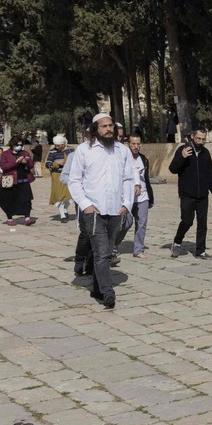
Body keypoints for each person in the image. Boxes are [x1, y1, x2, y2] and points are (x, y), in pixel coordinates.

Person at [67, 114, 135, 309]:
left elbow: (129, 179)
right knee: (102, 252)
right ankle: (108, 292)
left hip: (115, 210)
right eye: (104, 126)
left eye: (111, 126)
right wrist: (85, 204)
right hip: (93, 210)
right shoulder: (84, 151)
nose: (109, 129)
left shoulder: (122, 151)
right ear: (95, 129)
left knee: (106, 251)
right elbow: (74, 180)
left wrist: (126, 204)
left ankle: (97, 287)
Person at [169, 129, 212, 258]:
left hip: (202, 195)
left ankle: (200, 251)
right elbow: (173, 169)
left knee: (202, 223)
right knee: (187, 221)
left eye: (203, 139)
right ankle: (177, 241)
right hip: (187, 194)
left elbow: (210, 174)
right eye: (198, 139)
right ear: (192, 137)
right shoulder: (184, 150)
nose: (201, 141)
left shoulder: (205, 153)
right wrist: (182, 157)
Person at [0, 136, 37, 225]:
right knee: (8, 200)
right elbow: (4, 167)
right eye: (17, 145)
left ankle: (27, 218)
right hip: (10, 181)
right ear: (12, 144)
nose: (19, 146)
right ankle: (10, 219)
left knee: (26, 199)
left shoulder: (25, 153)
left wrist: (26, 161)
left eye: (20, 144)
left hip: (23, 180)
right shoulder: (5, 154)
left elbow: (31, 166)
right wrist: (16, 161)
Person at [128, 135, 154, 258]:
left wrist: (150, 197)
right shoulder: (125, 158)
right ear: (128, 144)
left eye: (138, 144)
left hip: (143, 196)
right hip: (127, 197)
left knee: (142, 223)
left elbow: (147, 179)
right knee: (125, 224)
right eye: (133, 144)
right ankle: (114, 246)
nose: (136, 146)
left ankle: (138, 250)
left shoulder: (143, 159)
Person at [46, 135, 74, 221]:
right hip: (57, 175)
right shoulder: (52, 151)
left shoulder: (71, 150)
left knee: (69, 196)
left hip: (69, 175)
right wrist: (56, 163)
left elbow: (75, 159)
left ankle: (65, 209)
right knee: (60, 196)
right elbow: (48, 164)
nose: (57, 147)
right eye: (56, 145)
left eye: (59, 145)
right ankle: (62, 215)